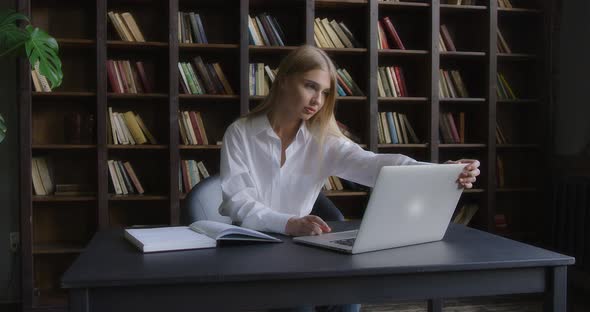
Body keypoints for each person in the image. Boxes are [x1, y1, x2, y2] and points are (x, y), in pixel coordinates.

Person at [219, 45, 480, 311]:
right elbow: (239, 204)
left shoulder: (323, 139)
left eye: (325, 93)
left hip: (298, 250)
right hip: (251, 248)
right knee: (298, 306)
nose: (317, 101)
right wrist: (290, 223)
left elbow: (374, 165)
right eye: (310, 86)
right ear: (284, 80)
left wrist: (439, 171)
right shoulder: (240, 133)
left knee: (347, 296)